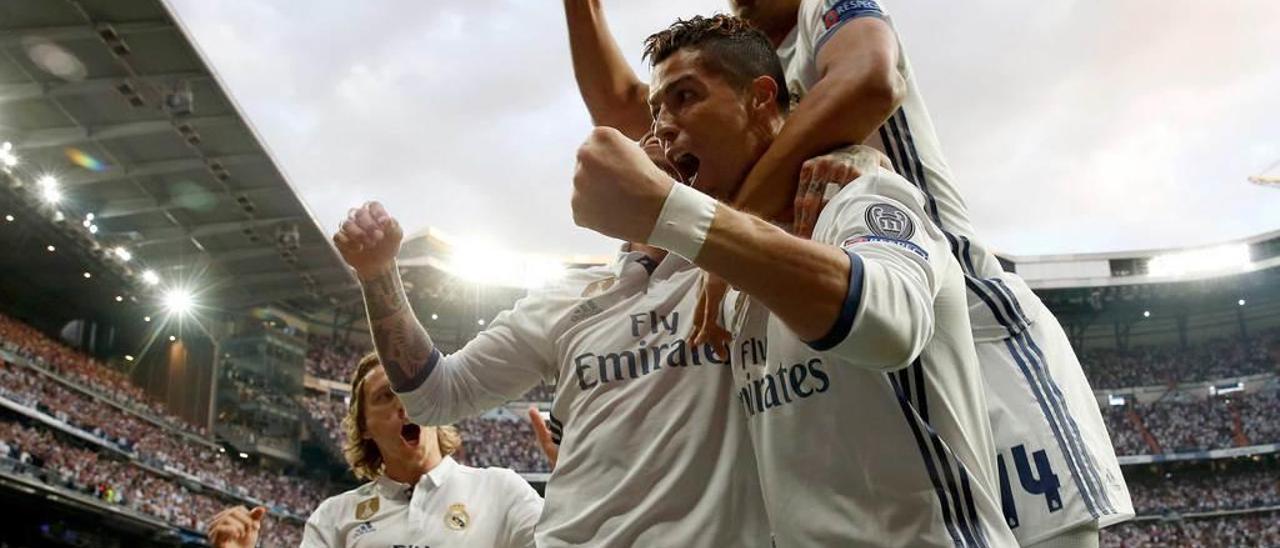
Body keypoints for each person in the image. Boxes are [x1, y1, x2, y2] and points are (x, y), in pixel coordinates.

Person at [564, 2, 1133, 545]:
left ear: (764, 101)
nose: (662, 130)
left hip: (969, 323)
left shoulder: (826, 18)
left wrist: (709, 233)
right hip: (816, 299)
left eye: (684, 99)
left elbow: (870, 81)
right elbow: (629, 110)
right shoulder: (742, 69)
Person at [331, 133, 776, 547]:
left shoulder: (748, 269)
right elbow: (434, 396)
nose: (660, 134)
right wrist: (378, 275)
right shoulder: (563, 300)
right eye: (649, 127)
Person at [204, 353, 542, 548]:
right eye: (385, 396)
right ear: (364, 426)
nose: (403, 406)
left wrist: (581, 479)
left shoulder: (501, 489)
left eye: (412, 393)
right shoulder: (334, 516)